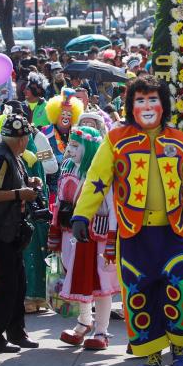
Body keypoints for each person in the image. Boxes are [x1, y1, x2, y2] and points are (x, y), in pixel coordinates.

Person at [71, 75, 183, 366]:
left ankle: (181, 351)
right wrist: (82, 215)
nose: (147, 106)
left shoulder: (182, 141)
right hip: (134, 236)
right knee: (139, 295)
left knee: (179, 290)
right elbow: (97, 178)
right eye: (140, 100)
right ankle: (152, 358)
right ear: (131, 106)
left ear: (164, 105)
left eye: (153, 99)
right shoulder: (116, 140)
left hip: (173, 235)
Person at [48, 125, 119, 350]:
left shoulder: (100, 172)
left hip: (95, 237)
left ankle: (101, 330)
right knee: (78, 279)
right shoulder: (68, 167)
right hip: (72, 235)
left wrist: (111, 239)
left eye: (75, 145)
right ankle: (84, 322)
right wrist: (55, 231)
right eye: (69, 144)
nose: (70, 150)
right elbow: (60, 200)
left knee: (101, 283)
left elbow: (112, 207)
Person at [0, 113, 41, 353]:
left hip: (10, 233)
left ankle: (16, 332)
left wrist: (29, 182)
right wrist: (18, 194)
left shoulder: (13, 157)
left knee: (18, 285)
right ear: (21, 138)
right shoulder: (0, 157)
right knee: (5, 286)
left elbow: (11, 183)